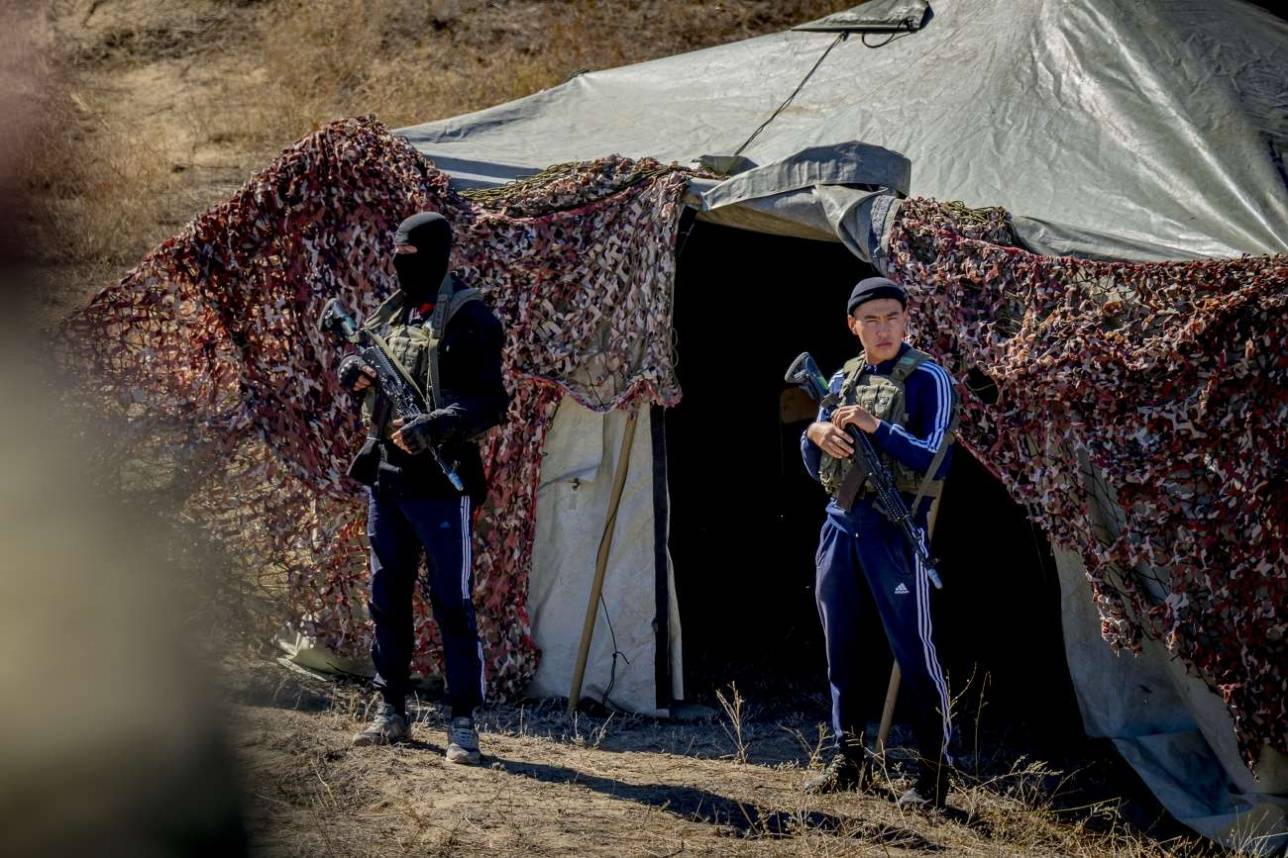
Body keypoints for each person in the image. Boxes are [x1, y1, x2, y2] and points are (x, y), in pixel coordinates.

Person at [335, 211, 508, 764]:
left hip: (442, 483)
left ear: (437, 254)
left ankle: (462, 723)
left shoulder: (471, 318)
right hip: (387, 479)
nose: (400, 265)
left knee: (451, 604)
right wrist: (352, 372)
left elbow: (491, 402)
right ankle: (392, 711)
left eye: (411, 256)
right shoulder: (392, 313)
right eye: (396, 254)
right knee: (387, 598)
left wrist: (438, 425)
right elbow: (368, 364)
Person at [799, 276, 959, 808]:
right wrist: (814, 434)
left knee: (914, 651)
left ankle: (935, 774)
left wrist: (876, 428)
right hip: (841, 523)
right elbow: (817, 456)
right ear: (854, 326)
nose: (882, 328)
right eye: (871, 320)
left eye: (892, 317)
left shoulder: (928, 377)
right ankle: (849, 759)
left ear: (907, 320)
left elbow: (934, 453)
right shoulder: (842, 377)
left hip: (895, 529)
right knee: (840, 648)